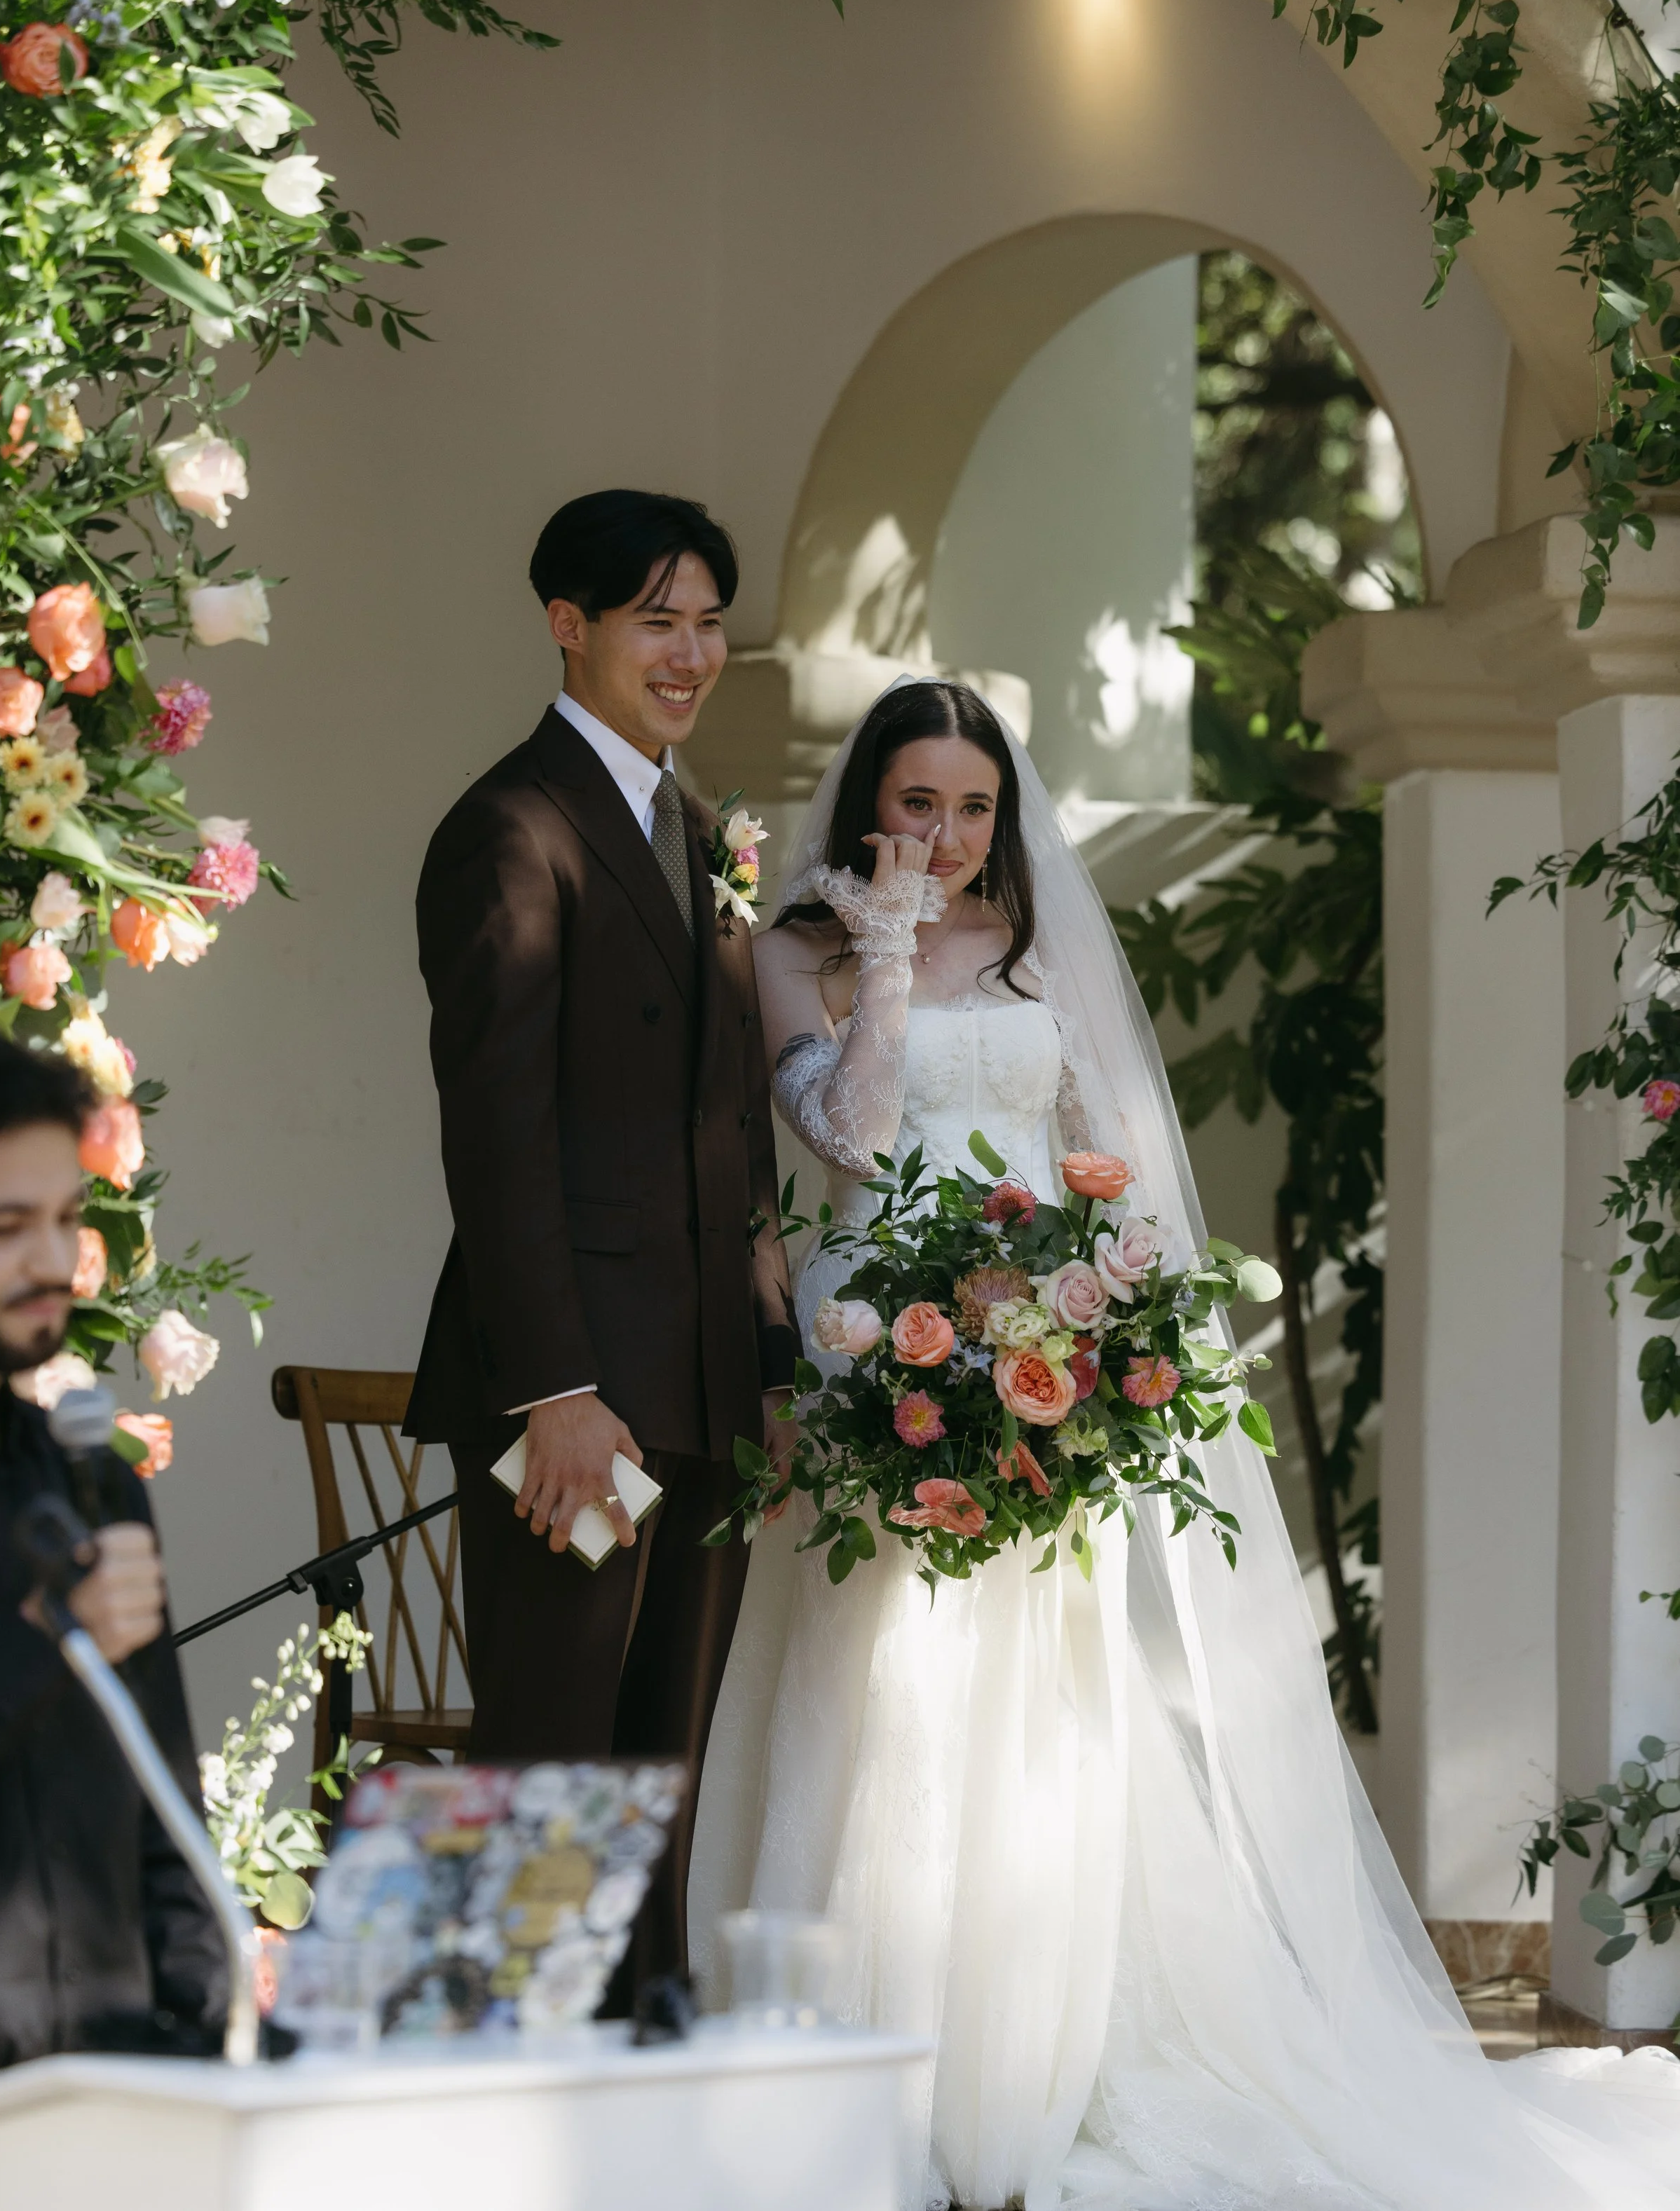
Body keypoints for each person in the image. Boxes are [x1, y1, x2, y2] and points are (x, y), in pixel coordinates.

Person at [692, 678, 1680, 2211]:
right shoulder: (790, 955)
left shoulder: (1037, 954)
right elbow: (857, 1138)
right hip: (861, 1357)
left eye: (969, 807)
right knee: (873, 1675)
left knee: (1028, 1706)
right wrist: (881, 947)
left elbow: (1116, 1174)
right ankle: (856, 2062)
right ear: (865, 802)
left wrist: (1109, 1342)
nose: (941, 838)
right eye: (913, 803)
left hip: (1038, 1356)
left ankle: (1021, 2056)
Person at [405, 487, 797, 1990]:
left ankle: (636, 2093)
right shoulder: (509, 827)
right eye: (656, 620)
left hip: (698, 1384)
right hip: (571, 1399)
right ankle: (488, 2096)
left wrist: (767, 1360)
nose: (688, 653)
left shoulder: (698, 830)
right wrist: (551, 1392)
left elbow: (738, 1131)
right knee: (551, 1760)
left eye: (707, 623)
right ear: (567, 625)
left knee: (660, 1768)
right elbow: (495, 1139)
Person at [0, 1019, 224, 2085]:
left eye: (65, 1218)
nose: (55, 1262)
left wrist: (201, 2035)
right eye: (5, 1227)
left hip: (112, 2084)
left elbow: (164, 1802)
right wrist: (47, 1645)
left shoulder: (87, 1477)